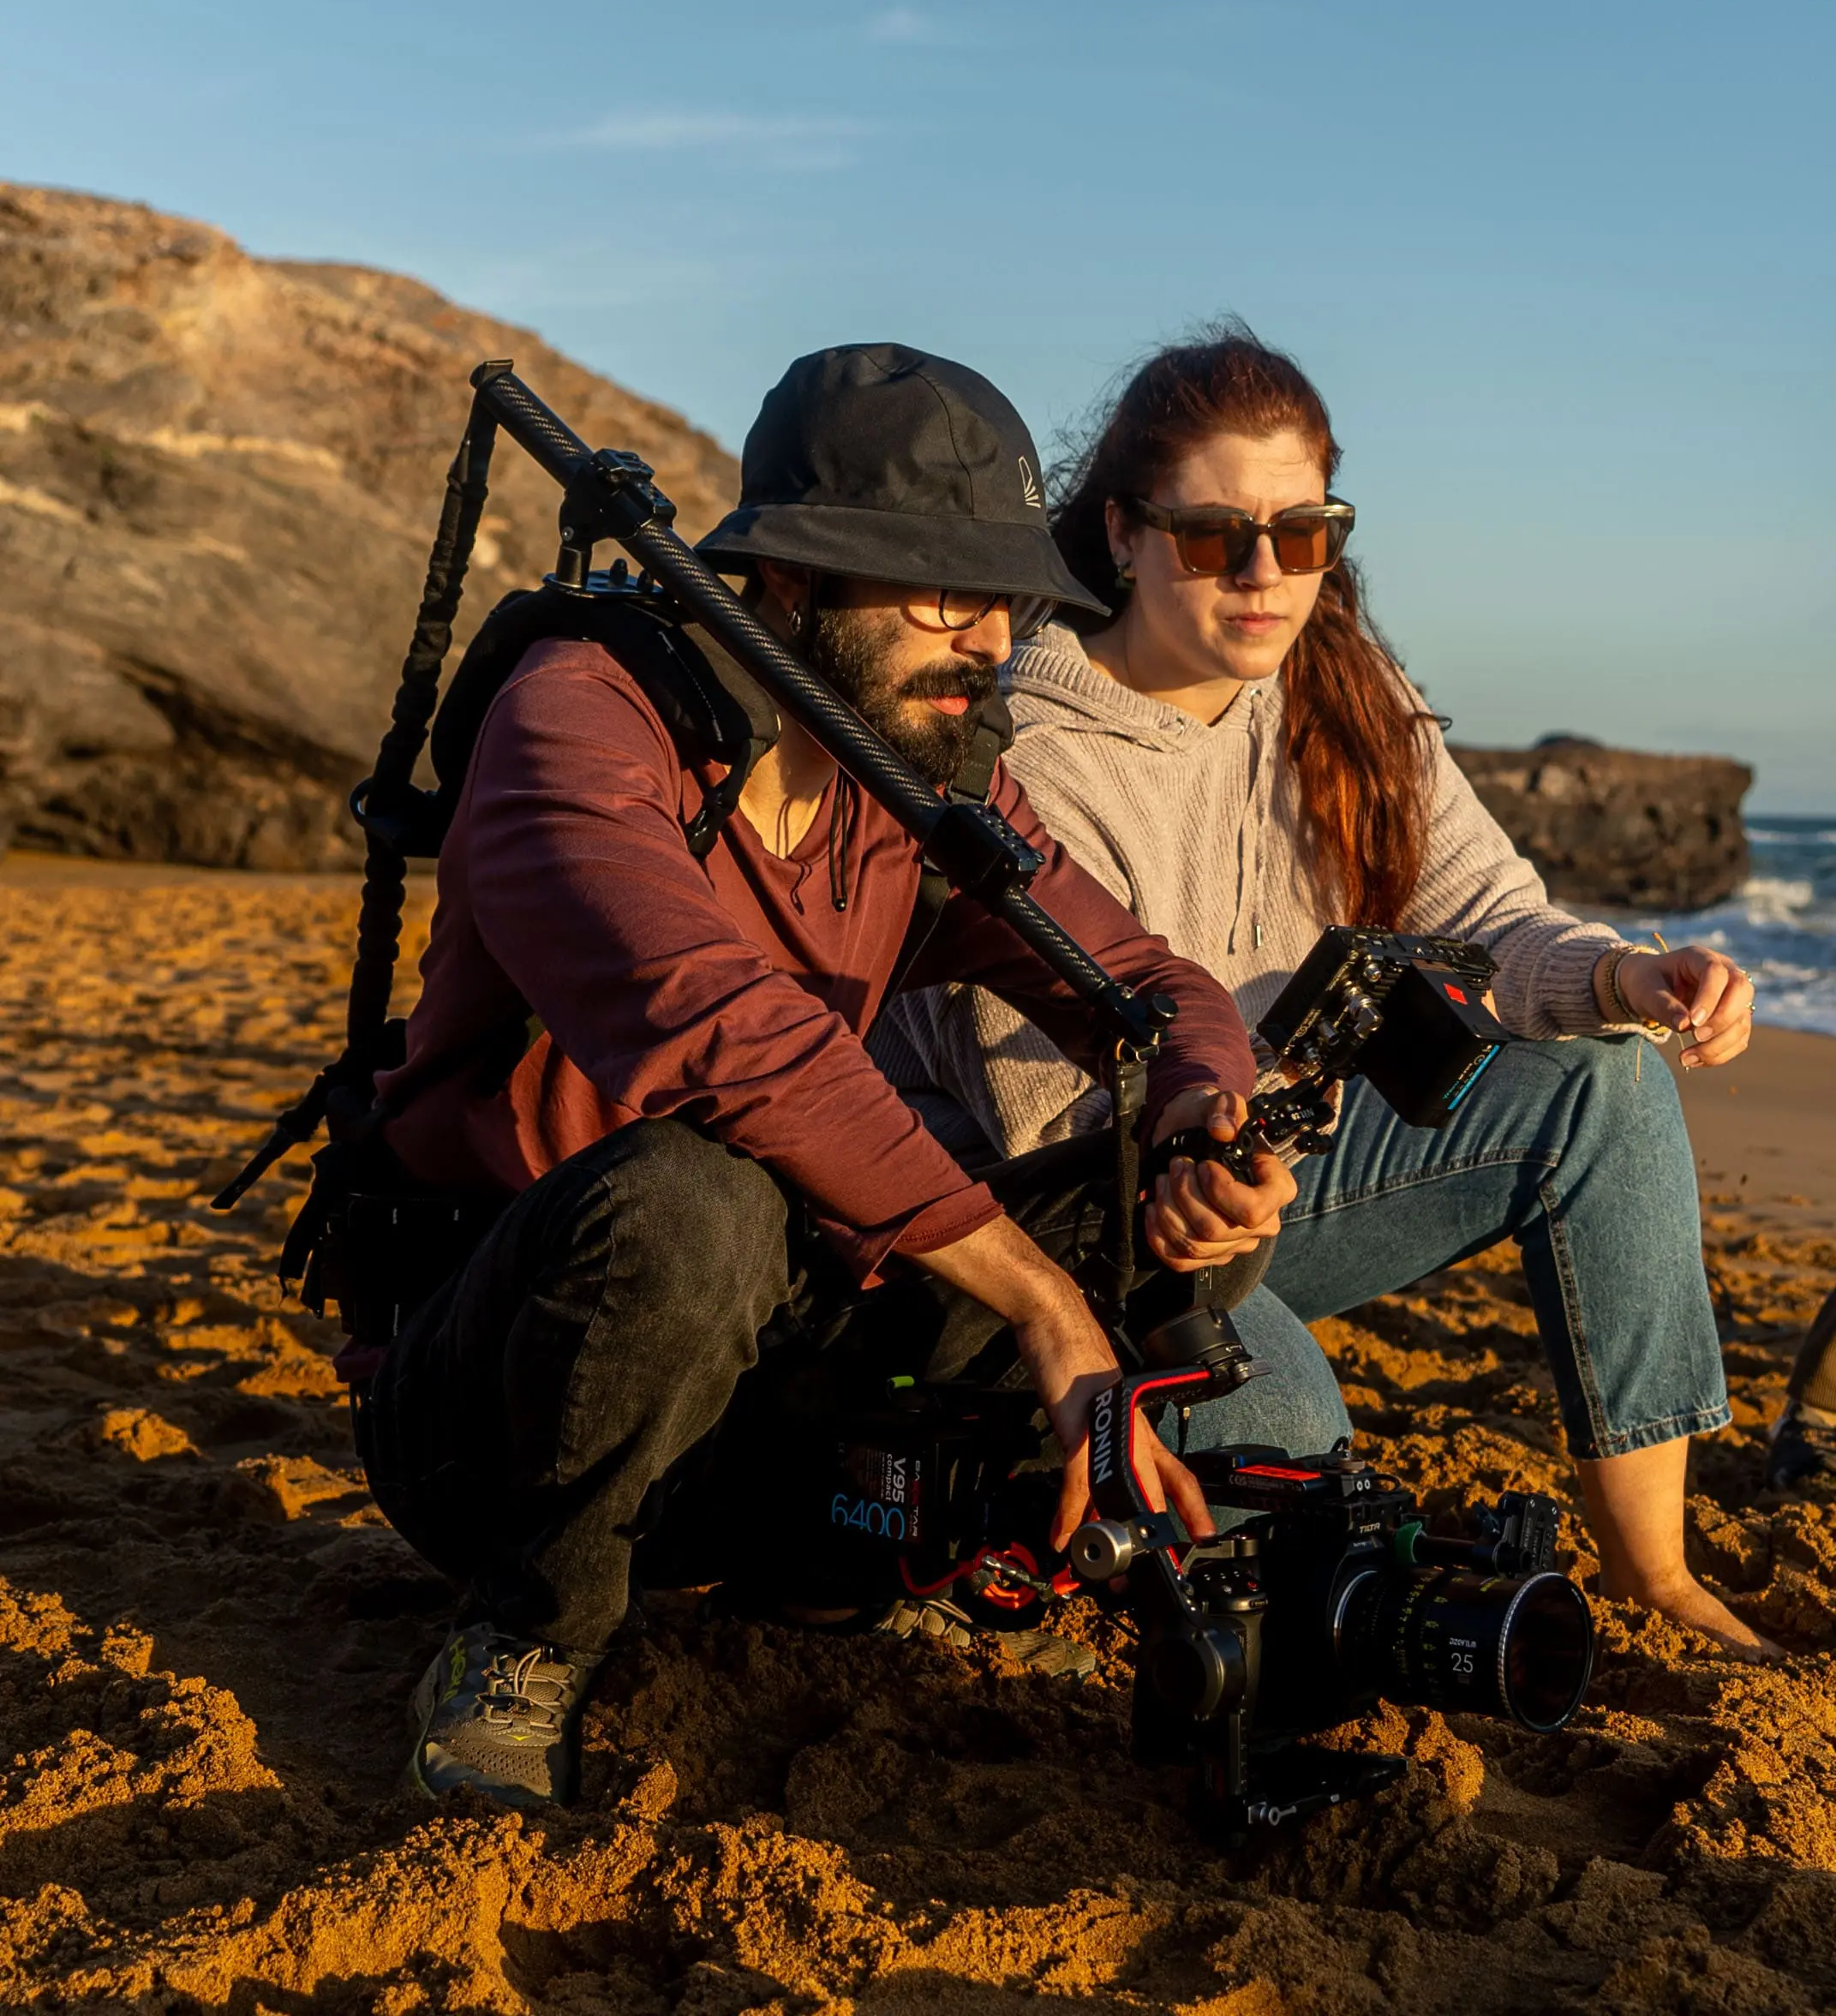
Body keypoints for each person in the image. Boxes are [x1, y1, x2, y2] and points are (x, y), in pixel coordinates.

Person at [354, 343, 1339, 1813]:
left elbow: (1149, 983)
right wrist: (1040, 1305)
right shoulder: (582, 716)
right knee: (695, 1193)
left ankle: (843, 1562)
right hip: (501, 1405)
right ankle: (526, 1638)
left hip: (761, 1395)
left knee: (1168, 1212)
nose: (987, 641)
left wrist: (1202, 1111)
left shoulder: (915, 774)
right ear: (791, 579)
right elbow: (720, 1031)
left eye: (1005, 600)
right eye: (942, 594)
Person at [875, 323, 1776, 1661]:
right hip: (1074, 1225)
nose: (1263, 574)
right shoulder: (1037, 753)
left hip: (1262, 1178)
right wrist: (1204, 1171)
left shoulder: (1338, 688)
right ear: (1122, 533)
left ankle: (1657, 1575)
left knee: (1607, 1082)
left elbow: (1485, 914)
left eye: (1300, 534)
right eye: (1213, 537)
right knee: (1294, 1446)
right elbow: (1059, 1126)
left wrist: (1626, 974)